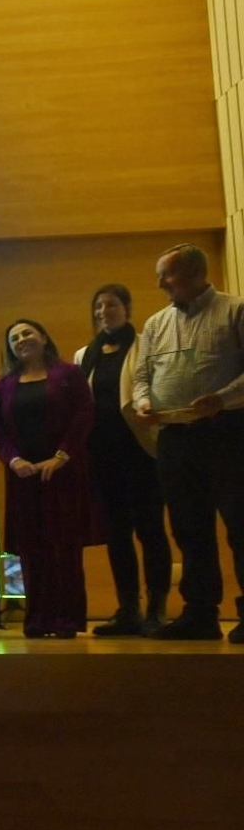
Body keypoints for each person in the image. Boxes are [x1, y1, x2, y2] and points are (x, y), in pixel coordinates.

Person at [131, 244, 244, 642]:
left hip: (228, 432)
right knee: (189, 529)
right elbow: (142, 375)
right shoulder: (156, 323)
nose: (161, 283)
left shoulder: (235, 310)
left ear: (196, 272)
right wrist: (144, 400)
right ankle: (200, 614)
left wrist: (222, 400)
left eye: (168, 275)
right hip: (175, 439)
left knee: (240, 524)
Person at [0, 319, 100, 637]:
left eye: (27, 333)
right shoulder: (5, 384)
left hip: (63, 475)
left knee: (64, 550)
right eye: (14, 337)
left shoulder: (68, 374)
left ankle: (67, 620)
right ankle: (37, 619)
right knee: (32, 551)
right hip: (23, 479)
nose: (21, 339)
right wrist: (13, 460)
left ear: (43, 337)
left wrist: (61, 456)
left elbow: (84, 414)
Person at [74, 285, 171, 635]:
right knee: (116, 535)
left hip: (142, 454)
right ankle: (127, 609)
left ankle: (156, 610)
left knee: (150, 531)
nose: (103, 311)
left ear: (127, 308)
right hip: (102, 458)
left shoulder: (148, 344)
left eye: (111, 305)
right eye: (97, 306)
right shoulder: (84, 355)